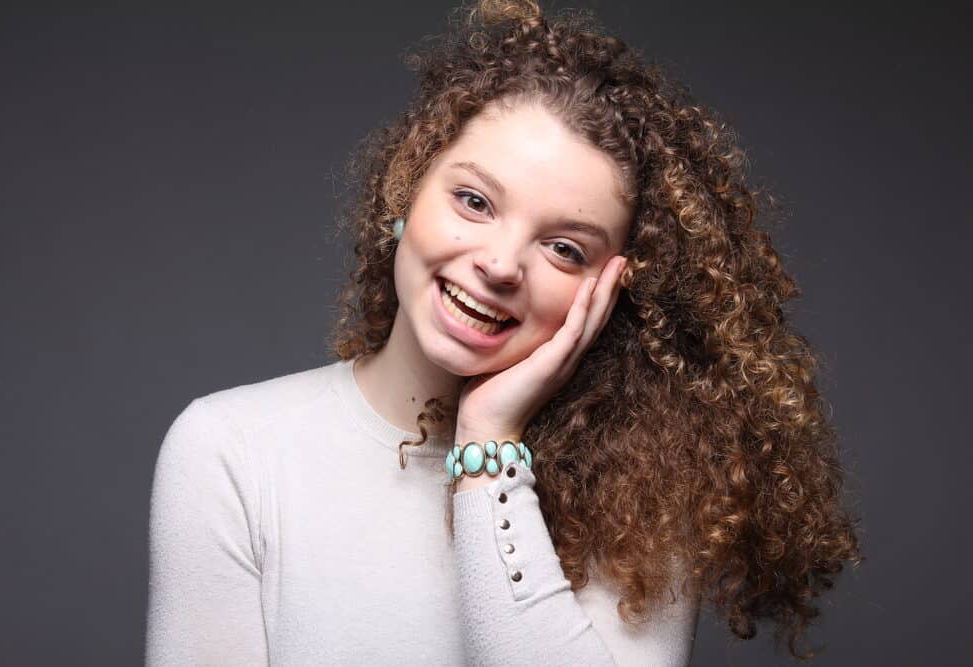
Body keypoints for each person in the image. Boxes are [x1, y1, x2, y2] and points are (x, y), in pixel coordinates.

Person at [145, 1, 863, 665]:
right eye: (474, 200)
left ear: (612, 289)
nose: (497, 263)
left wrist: (488, 441)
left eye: (564, 248)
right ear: (406, 189)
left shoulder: (643, 499)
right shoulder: (232, 451)